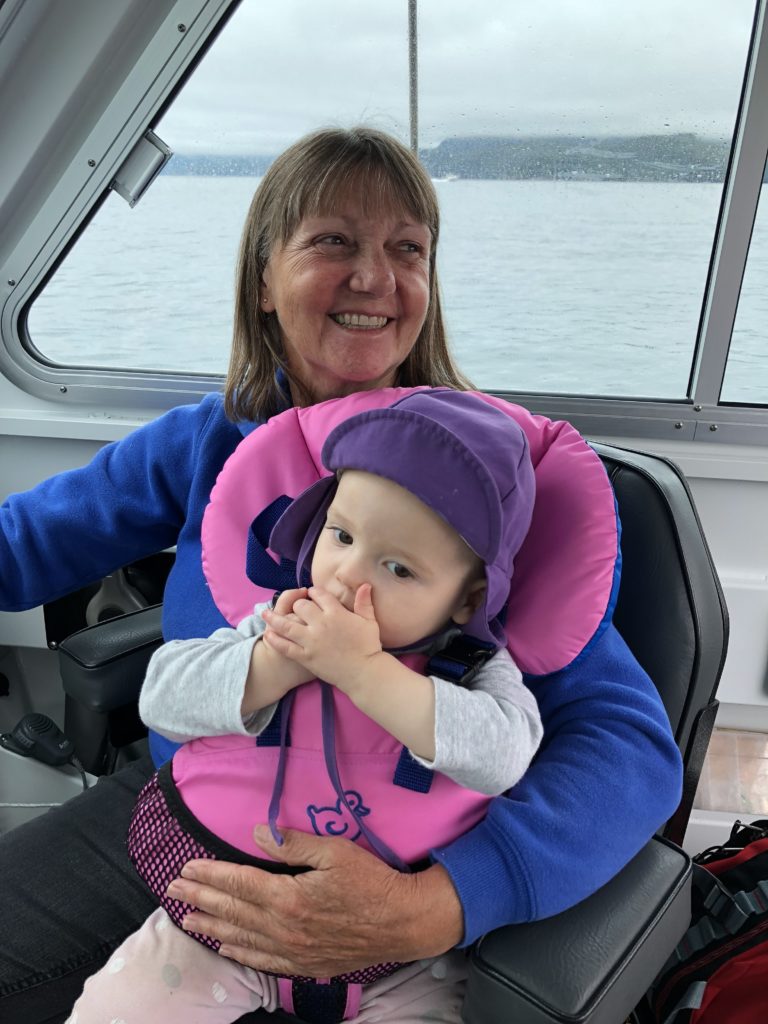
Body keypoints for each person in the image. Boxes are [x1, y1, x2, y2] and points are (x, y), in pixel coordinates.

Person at [0, 126, 683, 1024]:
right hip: (194, 822)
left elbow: (631, 751)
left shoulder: (489, 483)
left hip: (406, 857)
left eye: (408, 250)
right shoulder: (210, 442)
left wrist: (444, 901)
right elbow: (29, 544)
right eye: (333, 242)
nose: (375, 278)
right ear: (263, 280)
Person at [69, 388, 544, 1022]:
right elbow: (163, 696)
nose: (348, 574)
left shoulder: (478, 667)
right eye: (341, 535)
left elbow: (503, 756)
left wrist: (366, 674)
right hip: (217, 927)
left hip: (402, 966)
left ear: (467, 598)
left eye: (399, 568)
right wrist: (274, 663)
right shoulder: (278, 624)